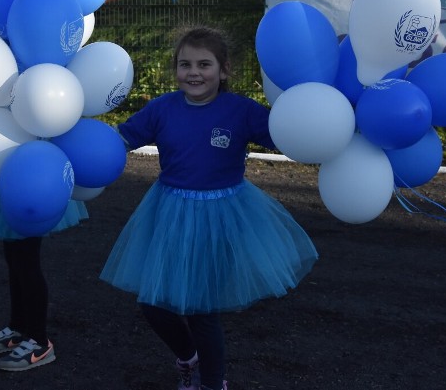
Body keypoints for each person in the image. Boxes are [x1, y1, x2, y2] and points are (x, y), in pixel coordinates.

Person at [100, 26, 318, 390]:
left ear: (224, 70)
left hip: (223, 216)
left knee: (203, 310)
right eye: (185, 64)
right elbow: (120, 140)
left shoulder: (242, 111)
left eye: (204, 64)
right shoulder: (161, 109)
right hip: (169, 213)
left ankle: (214, 384)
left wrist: (325, 128)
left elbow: (289, 134)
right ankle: (187, 357)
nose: (194, 72)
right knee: (153, 302)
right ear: (175, 70)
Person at [0, 174, 88, 372]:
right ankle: (18, 327)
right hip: (5, 163)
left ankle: (39, 341)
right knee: (13, 252)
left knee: (26, 256)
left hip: (31, 172)